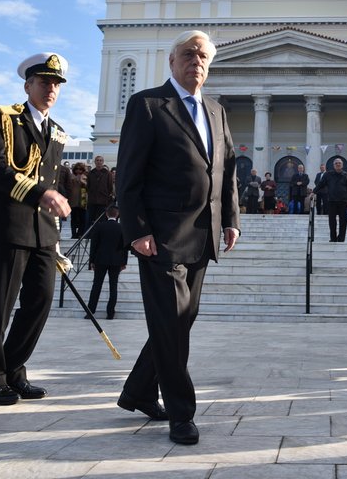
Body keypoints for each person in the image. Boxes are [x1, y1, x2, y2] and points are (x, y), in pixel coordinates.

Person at [115, 30, 240, 446]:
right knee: (171, 322)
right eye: (188, 54)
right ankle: (182, 414)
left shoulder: (217, 111)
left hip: (203, 234)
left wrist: (231, 219)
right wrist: (137, 231)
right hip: (162, 236)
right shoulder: (149, 105)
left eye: (203, 56)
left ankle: (137, 391)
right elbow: (129, 174)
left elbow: (227, 169)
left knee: (180, 322)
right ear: (171, 61)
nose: (196, 62)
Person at [0, 52, 71, 406]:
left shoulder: (57, 131)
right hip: (9, 225)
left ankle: (13, 369)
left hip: (44, 231)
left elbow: (53, 179)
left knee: (40, 301)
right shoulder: (4, 119)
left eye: (56, 84)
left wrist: (56, 234)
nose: (51, 89)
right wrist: (41, 193)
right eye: (44, 82)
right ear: (27, 84)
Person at [87, 205, 128, 320]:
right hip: (116, 261)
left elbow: (93, 245)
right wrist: (124, 262)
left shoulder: (99, 226)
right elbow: (125, 247)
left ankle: (90, 311)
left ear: (106, 214)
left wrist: (92, 261)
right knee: (113, 286)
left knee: (96, 286)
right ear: (118, 214)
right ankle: (110, 313)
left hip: (100, 260)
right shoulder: (121, 228)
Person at [316, 159, 347, 242]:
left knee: (343, 221)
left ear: (342, 165)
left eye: (339, 163)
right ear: (333, 165)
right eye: (336, 163)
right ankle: (333, 238)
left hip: (344, 202)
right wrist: (313, 192)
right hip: (331, 201)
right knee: (332, 221)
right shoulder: (328, 175)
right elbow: (320, 184)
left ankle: (341, 238)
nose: (338, 164)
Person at [87, 156, 114, 226]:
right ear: (95, 162)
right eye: (97, 160)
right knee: (91, 218)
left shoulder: (107, 173)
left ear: (103, 162)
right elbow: (88, 186)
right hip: (92, 200)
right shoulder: (91, 173)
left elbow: (110, 186)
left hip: (103, 200)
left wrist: (106, 194)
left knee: (102, 218)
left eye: (100, 160)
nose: (99, 162)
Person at [68, 162, 88, 238]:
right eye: (77, 169)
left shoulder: (86, 177)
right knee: (73, 218)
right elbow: (68, 187)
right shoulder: (71, 177)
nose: (78, 171)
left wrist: (83, 182)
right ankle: (73, 234)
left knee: (82, 218)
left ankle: (80, 233)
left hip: (83, 201)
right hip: (73, 201)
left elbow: (89, 187)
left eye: (80, 169)